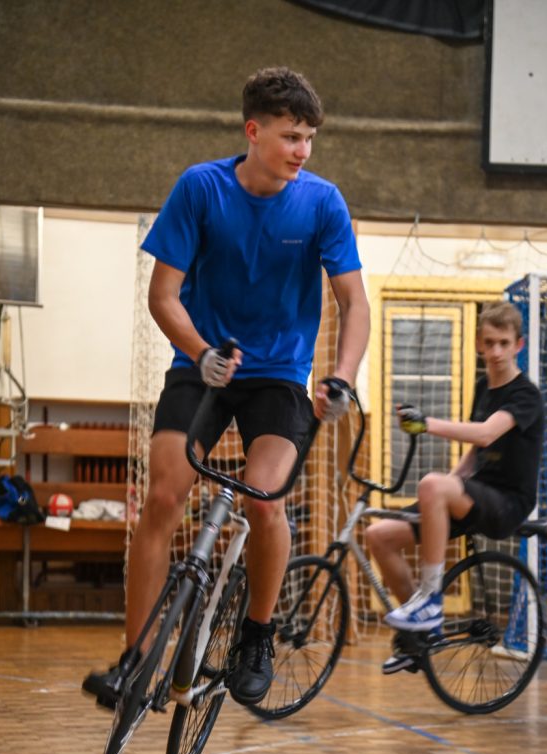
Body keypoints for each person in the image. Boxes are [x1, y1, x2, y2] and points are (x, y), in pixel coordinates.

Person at [82, 66, 370, 709]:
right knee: (163, 496)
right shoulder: (201, 188)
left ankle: (256, 637)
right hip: (204, 365)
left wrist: (342, 378)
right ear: (253, 132)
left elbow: (355, 303)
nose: (303, 150)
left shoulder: (323, 202)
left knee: (263, 502)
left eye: (310, 138)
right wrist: (201, 352)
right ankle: (135, 663)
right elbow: (163, 295)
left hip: (279, 379)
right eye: (291, 136)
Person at [366, 301, 544, 673]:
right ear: (479, 344)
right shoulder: (483, 387)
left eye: (504, 343)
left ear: (519, 345)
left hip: (508, 503)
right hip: (476, 493)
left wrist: (427, 425)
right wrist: (450, 482)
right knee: (378, 536)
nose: (496, 352)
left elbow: (486, 433)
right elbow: (476, 452)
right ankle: (419, 634)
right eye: (489, 343)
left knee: (433, 484)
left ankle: (430, 600)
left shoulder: (525, 395)